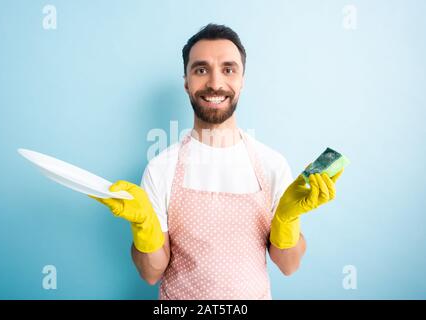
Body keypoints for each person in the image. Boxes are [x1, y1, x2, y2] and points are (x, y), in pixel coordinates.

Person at [90, 24, 343, 300]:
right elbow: (151, 273)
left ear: (242, 80)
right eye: (201, 69)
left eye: (228, 69)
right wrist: (144, 226)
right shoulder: (161, 168)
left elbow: (289, 265)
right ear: (186, 81)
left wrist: (287, 218)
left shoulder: (272, 164)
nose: (214, 83)